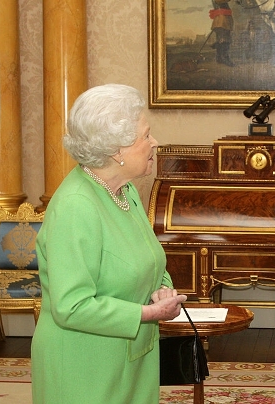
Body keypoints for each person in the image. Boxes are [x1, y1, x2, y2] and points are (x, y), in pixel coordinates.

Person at [31, 84, 187, 404]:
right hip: (84, 366)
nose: (154, 143)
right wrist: (146, 313)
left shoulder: (123, 190)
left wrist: (162, 289)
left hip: (129, 358)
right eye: (146, 135)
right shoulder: (76, 206)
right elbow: (71, 307)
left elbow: (148, 261)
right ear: (117, 150)